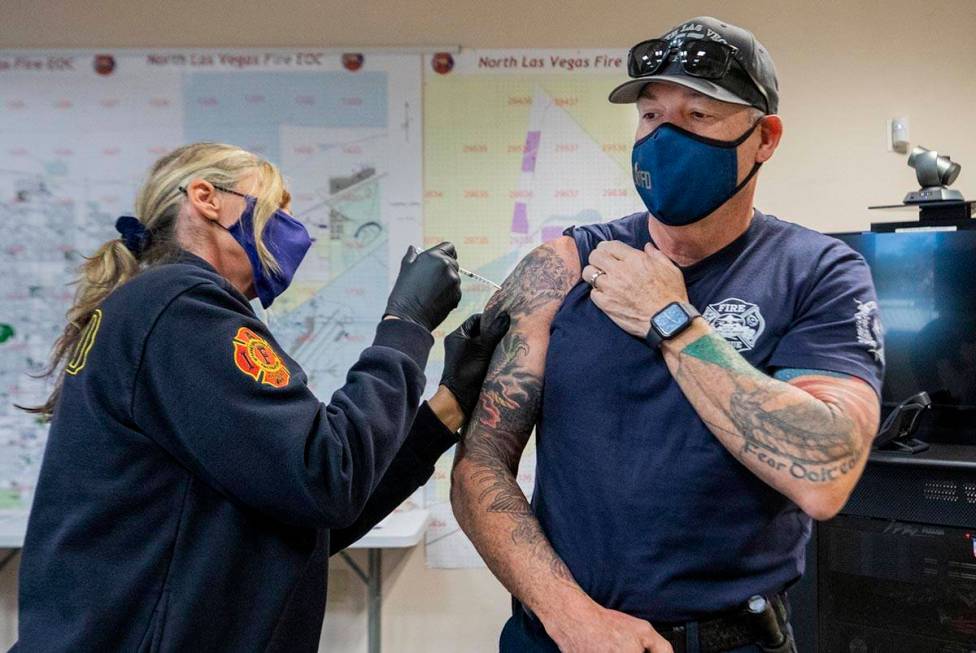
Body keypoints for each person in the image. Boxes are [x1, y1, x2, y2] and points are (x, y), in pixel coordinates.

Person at [451, 16, 885, 653]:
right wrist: (570, 616)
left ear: (764, 138)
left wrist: (672, 323)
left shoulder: (816, 272)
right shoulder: (565, 266)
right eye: (651, 116)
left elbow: (825, 475)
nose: (663, 137)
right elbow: (479, 466)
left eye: (698, 116)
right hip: (559, 635)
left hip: (733, 639)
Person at [13, 142, 509, 652]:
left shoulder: (160, 308)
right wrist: (405, 324)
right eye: (279, 206)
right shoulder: (183, 307)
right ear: (207, 198)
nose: (294, 228)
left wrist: (449, 403)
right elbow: (325, 475)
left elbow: (304, 516)